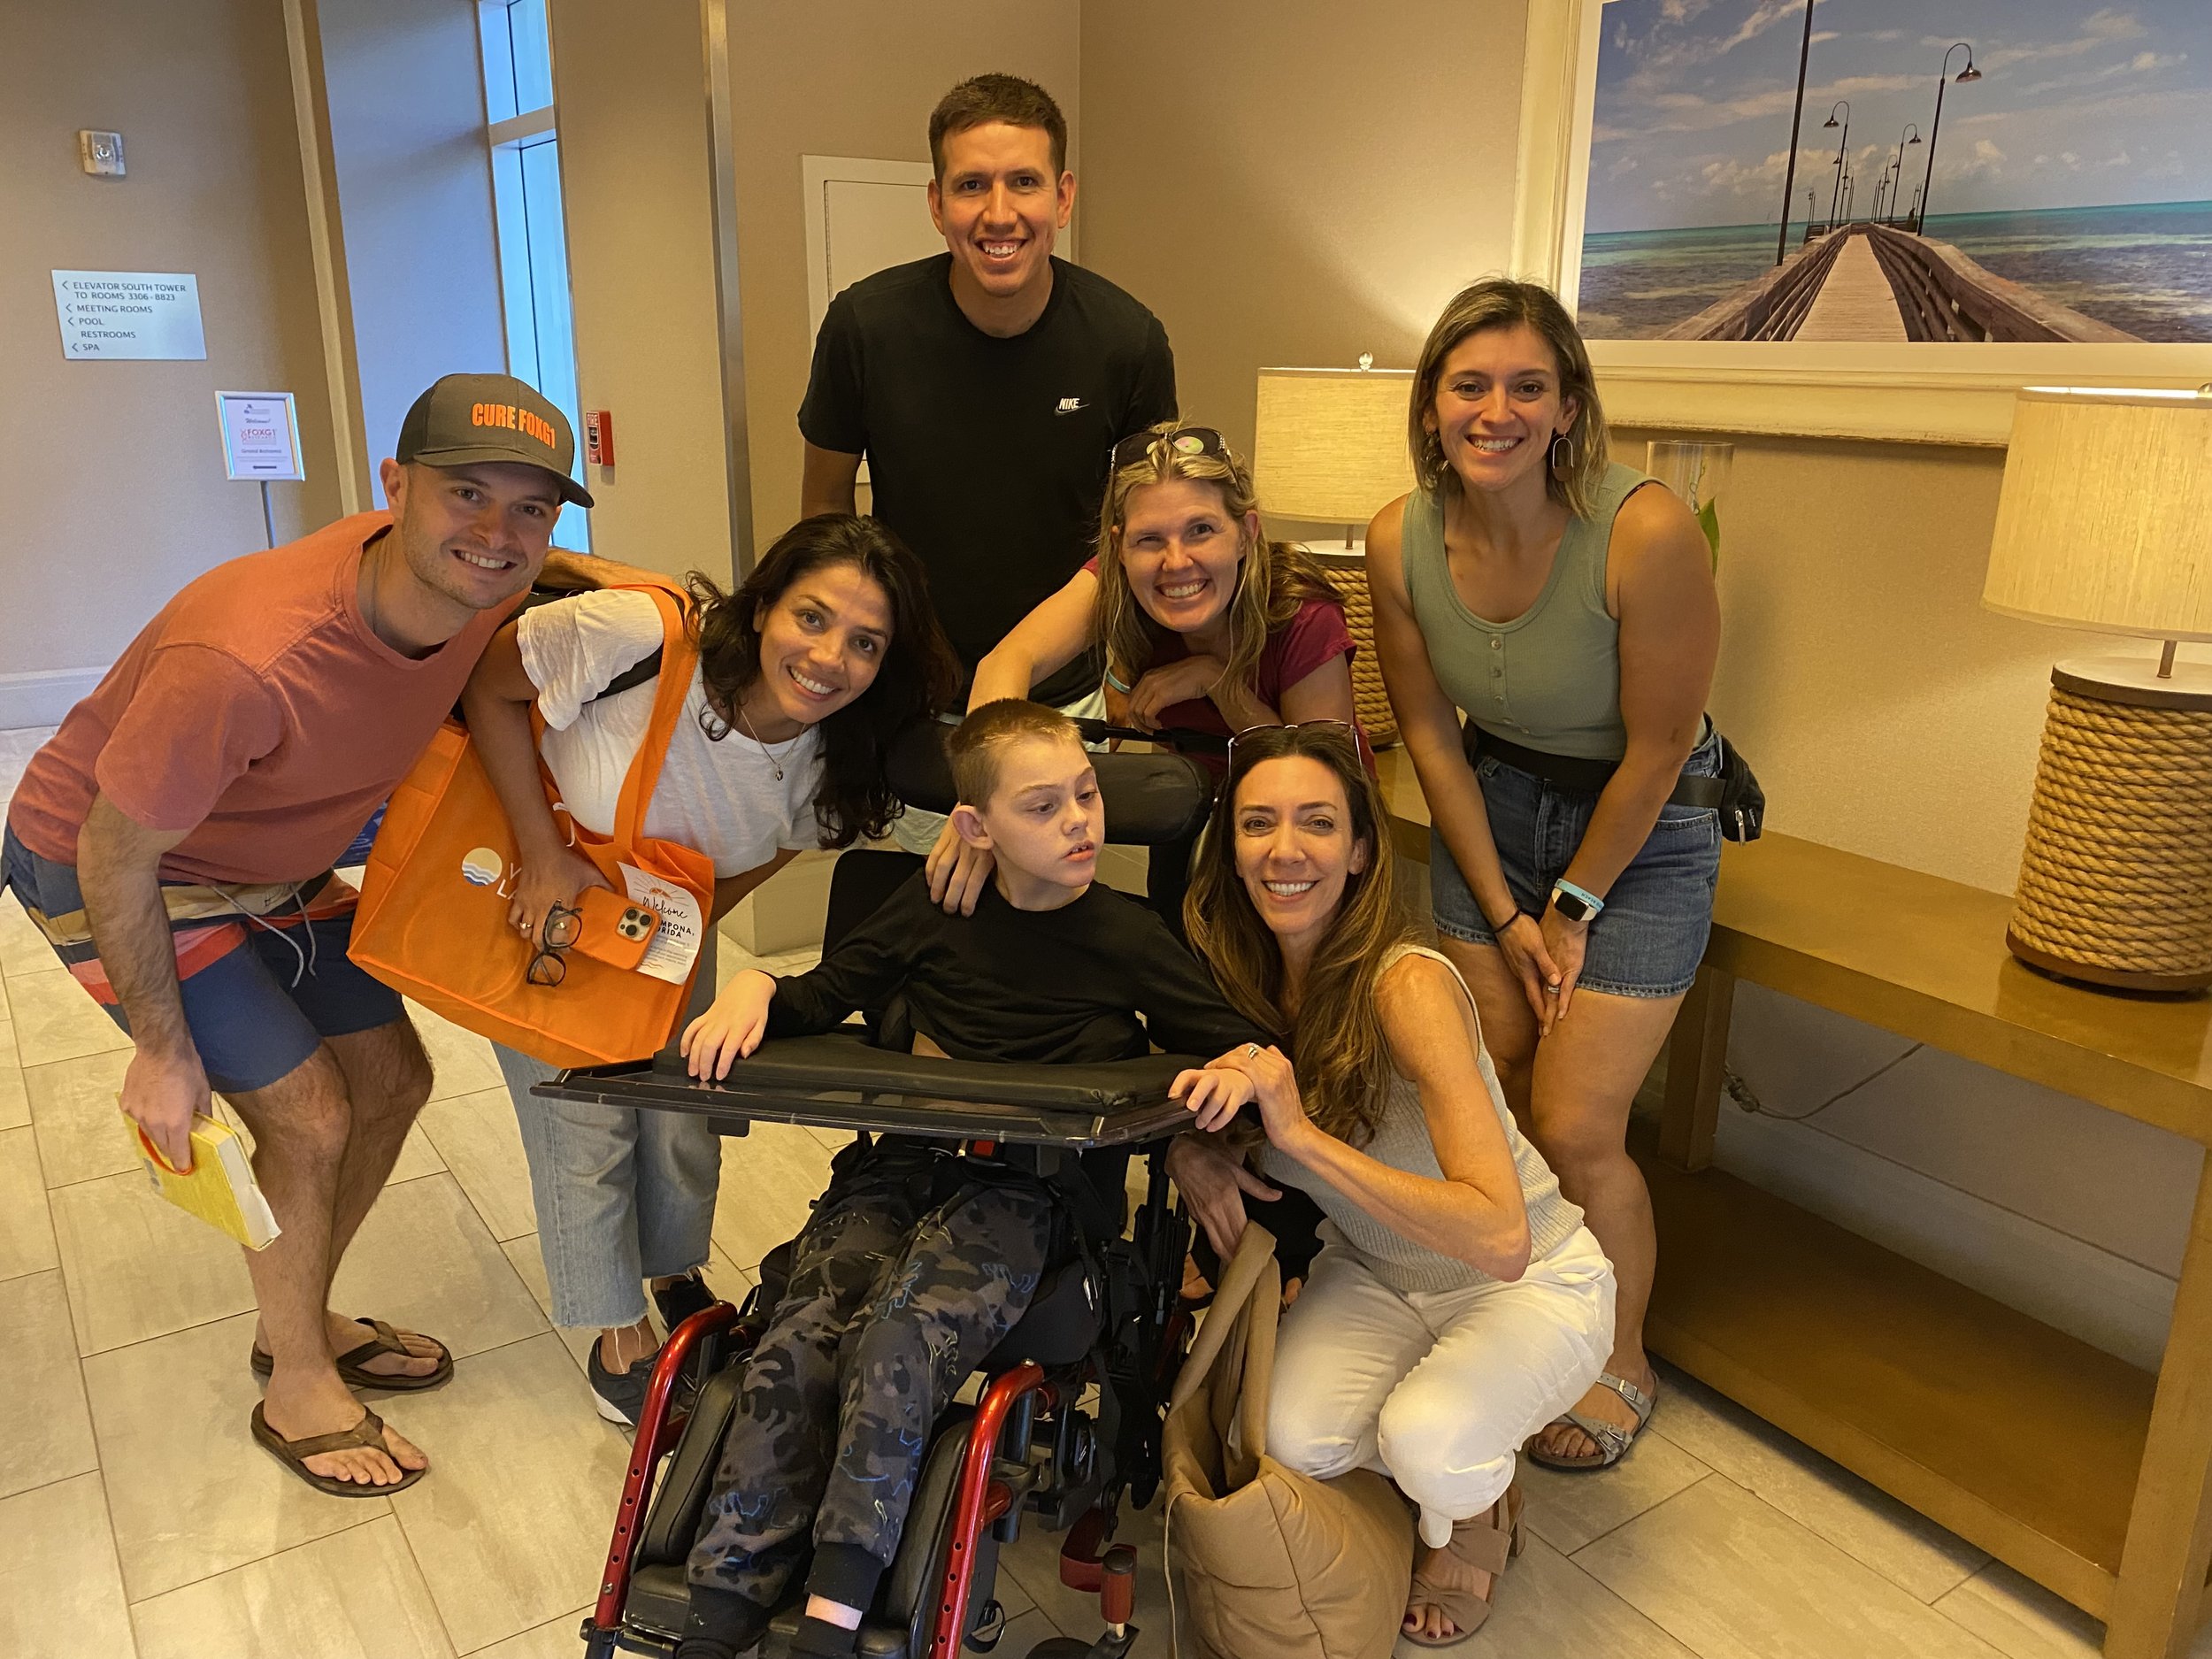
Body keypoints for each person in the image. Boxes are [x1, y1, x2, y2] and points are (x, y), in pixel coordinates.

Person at [0, 373, 586, 1494]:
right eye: (466, 493)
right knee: (310, 1114)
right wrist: (162, 1049)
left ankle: (294, 1322)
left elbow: (572, 616)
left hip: (268, 854)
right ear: (394, 487)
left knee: (394, 1078)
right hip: (120, 861)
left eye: (530, 508)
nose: (497, 533)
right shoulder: (246, 661)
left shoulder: (485, 591)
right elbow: (114, 852)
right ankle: (299, 1382)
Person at [668, 700, 1263, 1659]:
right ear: (975, 827)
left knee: (897, 1337)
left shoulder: (1129, 934)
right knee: (801, 1333)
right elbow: (824, 993)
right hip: (900, 1165)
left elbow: (1239, 1042)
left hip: (1029, 1193)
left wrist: (1232, 1079)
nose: (1079, 822)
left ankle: (833, 1614)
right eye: (1043, 806)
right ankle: (722, 1593)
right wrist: (754, 986)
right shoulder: (931, 909)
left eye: (1085, 796)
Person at [459, 514, 957, 1425]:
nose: (828, 658)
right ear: (763, 606)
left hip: (652, 929)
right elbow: (486, 683)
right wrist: (540, 852)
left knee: (681, 1115)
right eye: (811, 617)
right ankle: (617, 1335)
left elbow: (781, 841)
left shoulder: (838, 756)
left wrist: (685, 932)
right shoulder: (640, 635)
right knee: (586, 1126)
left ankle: (671, 1270)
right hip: (545, 908)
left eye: (865, 643)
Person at [1364, 278, 1722, 1472]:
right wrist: (1501, 905)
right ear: (1432, 403)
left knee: (1575, 1123)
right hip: (1494, 805)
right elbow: (1429, 735)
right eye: (1470, 384)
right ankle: (1520, 1328)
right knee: (1499, 1096)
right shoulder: (1399, 537)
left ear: (1569, 406)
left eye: (1528, 386)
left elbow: (1661, 747)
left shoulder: (1645, 531)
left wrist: (1567, 910)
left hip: (1645, 824)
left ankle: (1623, 1356)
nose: (1497, 410)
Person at [1169, 722, 1614, 1645]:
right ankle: (1447, 1450)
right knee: (1288, 1438)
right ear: (1231, 848)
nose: (1285, 850)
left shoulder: (1403, 985)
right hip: (1375, 1271)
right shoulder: (1232, 980)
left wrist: (1297, 1135)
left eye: (1318, 823)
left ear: (1362, 851)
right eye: (1257, 823)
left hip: (1530, 1279)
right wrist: (1192, 1150)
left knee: (1429, 1444)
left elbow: (1501, 1238)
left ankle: (1475, 1502)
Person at [797, 71, 1176, 854]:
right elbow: (825, 514)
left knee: (1052, 912)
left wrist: (1037, 666)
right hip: (909, 702)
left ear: (1063, 198)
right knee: (925, 906)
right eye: (972, 185)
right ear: (937, 204)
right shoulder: (865, 327)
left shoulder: (1127, 340)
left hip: (1063, 701)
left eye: (1024, 183)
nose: (999, 214)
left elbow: (1139, 537)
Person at [948, 419, 1363, 922]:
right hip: (1190, 810)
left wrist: (1215, 681)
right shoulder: (1118, 582)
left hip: (1303, 841)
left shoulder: (1302, 614)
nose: (1176, 562)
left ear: (1246, 534)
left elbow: (1316, 786)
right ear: (1119, 548)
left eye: (1201, 530)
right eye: (1149, 539)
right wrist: (987, 808)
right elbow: (1007, 661)